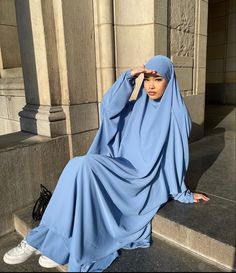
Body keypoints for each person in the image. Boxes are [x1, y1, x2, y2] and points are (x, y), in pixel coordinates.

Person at [3, 55, 209, 272]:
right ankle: (52, 240)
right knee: (78, 166)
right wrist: (128, 78)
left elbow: (177, 157)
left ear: (169, 80)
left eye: (157, 79)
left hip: (141, 180)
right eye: (147, 79)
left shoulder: (176, 114)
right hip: (120, 166)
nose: (150, 85)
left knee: (84, 166)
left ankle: (45, 241)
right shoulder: (138, 104)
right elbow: (110, 109)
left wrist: (182, 192)